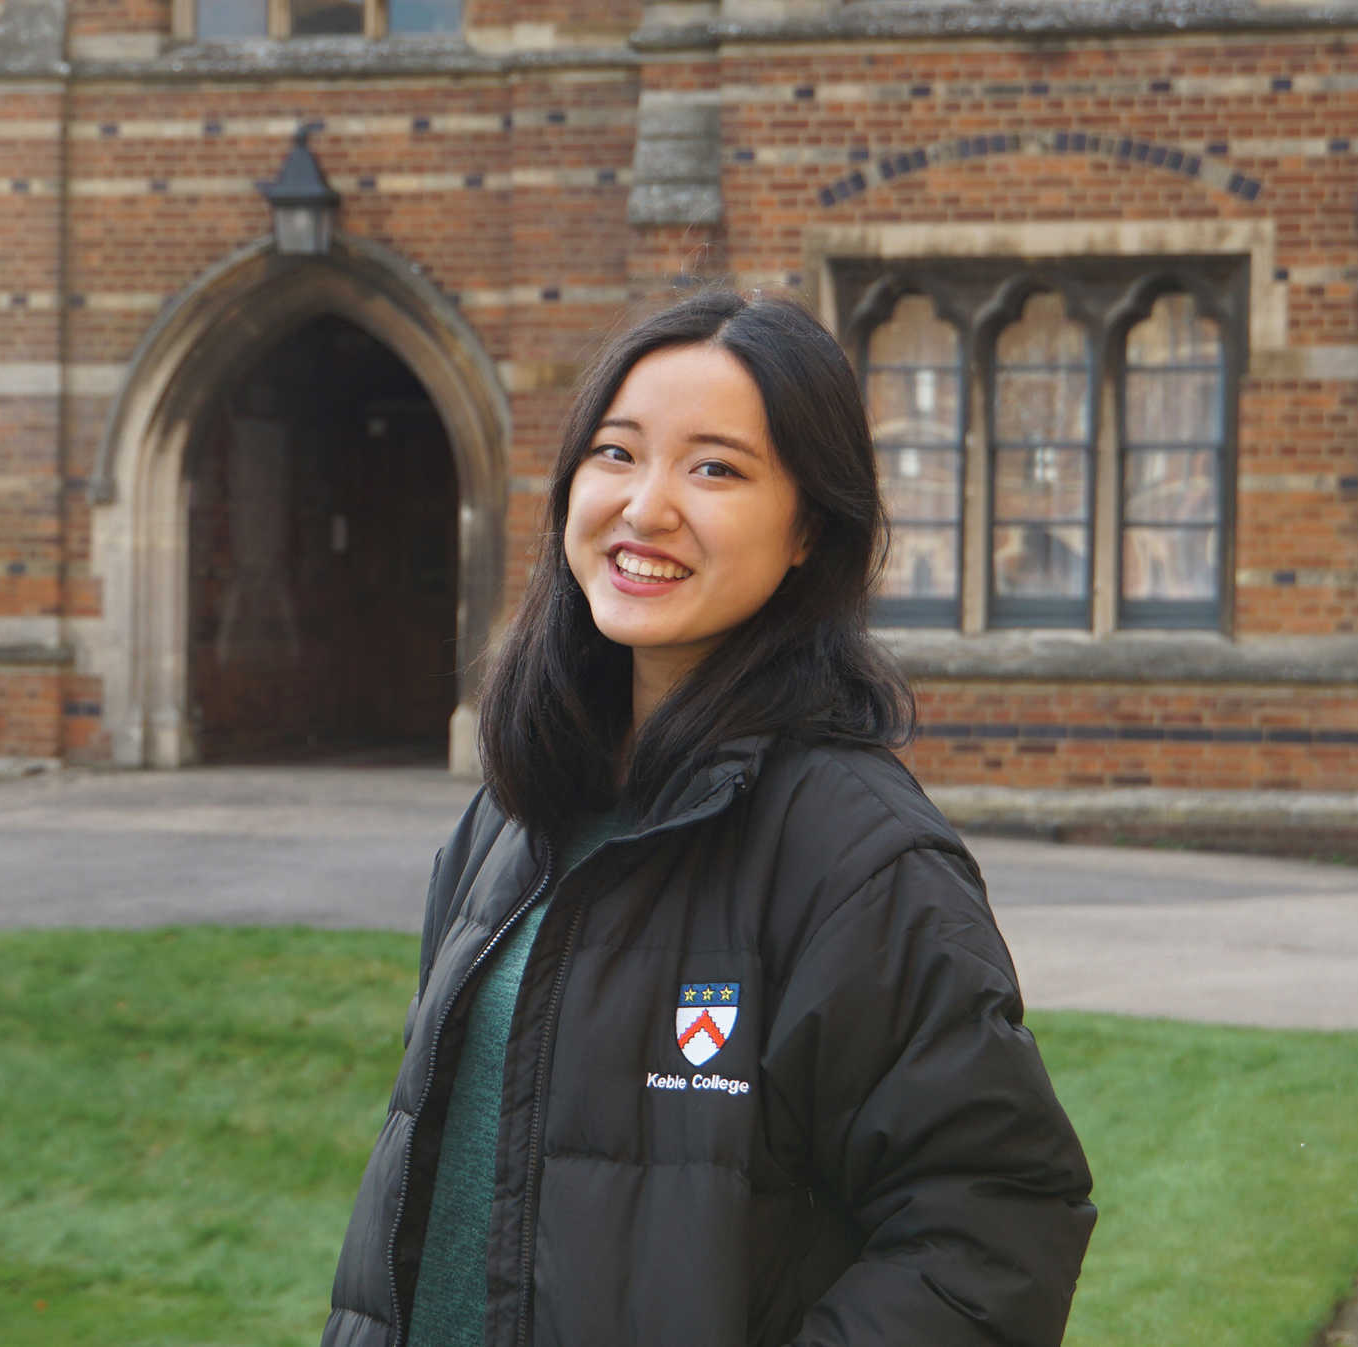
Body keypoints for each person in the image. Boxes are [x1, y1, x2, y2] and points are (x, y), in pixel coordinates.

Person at [319, 289, 1096, 1347]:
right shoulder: (512, 817)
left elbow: (997, 1227)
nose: (645, 507)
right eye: (617, 453)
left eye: (716, 467)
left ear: (807, 529)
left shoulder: (857, 856)